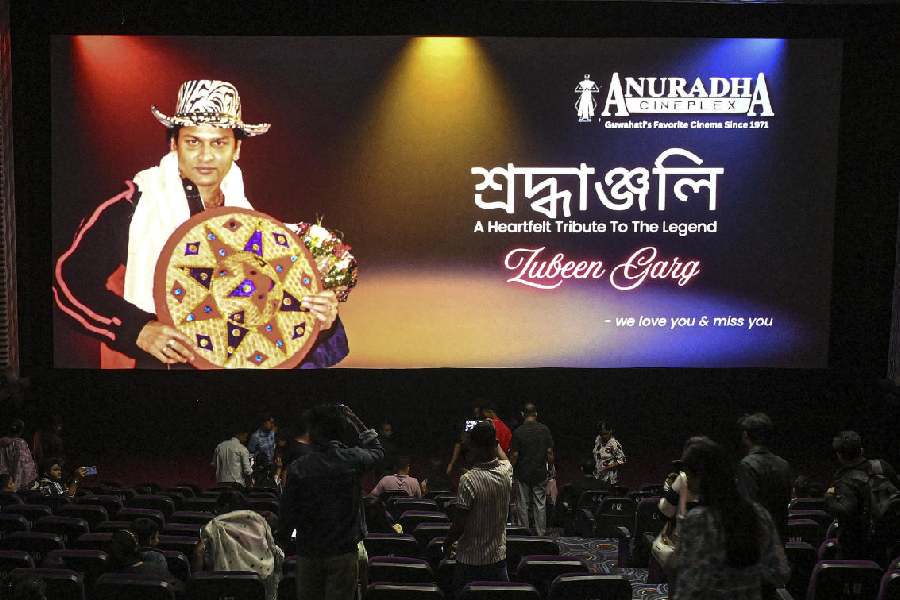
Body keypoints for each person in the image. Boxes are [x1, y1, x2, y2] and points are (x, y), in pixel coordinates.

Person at [53, 79, 349, 368]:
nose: (206, 156)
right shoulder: (131, 206)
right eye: (193, 142)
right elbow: (66, 282)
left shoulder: (248, 220)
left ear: (237, 150)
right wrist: (138, 330)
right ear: (174, 144)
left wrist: (320, 317)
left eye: (219, 143)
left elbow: (270, 316)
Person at [281, 404, 383, 600]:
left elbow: (288, 513)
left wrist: (283, 542)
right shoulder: (352, 460)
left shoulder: (298, 468)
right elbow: (377, 450)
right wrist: (355, 420)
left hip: (308, 552)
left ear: (313, 434)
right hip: (343, 552)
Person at [674, 437, 790, 600]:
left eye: (688, 474)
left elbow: (689, 590)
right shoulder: (759, 513)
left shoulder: (699, 520)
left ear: (700, 477)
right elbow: (780, 573)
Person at [444, 420, 513, 597]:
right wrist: (493, 439)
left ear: (474, 447)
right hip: (497, 558)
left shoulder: (468, 480)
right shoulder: (507, 471)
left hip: (469, 560)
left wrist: (447, 543)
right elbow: (503, 457)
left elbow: (459, 524)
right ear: (495, 444)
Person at [824, 430, 900, 560]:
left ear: (839, 456)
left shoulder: (843, 479)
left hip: (858, 548)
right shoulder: (882, 466)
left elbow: (845, 512)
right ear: (861, 450)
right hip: (889, 541)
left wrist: (829, 497)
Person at [193, 490, 282, 600]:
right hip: (259, 588)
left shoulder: (215, 525)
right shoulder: (259, 521)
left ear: (224, 507)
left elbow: (199, 552)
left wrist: (197, 582)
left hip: (225, 589)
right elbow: (275, 552)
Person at [736, 413, 793, 543]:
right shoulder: (784, 464)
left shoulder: (747, 465)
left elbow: (749, 507)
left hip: (758, 540)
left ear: (745, 436)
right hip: (780, 535)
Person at [509, 403, 554, 535]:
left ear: (522, 414)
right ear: (536, 414)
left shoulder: (518, 432)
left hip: (522, 473)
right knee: (540, 504)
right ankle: (541, 533)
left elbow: (515, 455)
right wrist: (550, 468)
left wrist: (510, 470)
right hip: (540, 472)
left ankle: (524, 533)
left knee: (522, 504)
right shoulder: (544, 430)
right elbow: (550, 452)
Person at [0, 419, 37, 491]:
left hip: (4, 481)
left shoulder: (1, 443)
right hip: (17, 483)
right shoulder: (20, 443)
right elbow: (25, 466)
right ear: (21, 431)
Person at [447, 405, 482, 478]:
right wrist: (452, 463)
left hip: (481, 461)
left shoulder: (486, 422)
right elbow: (459, 442)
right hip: (468, 461)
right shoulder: (466, 423)